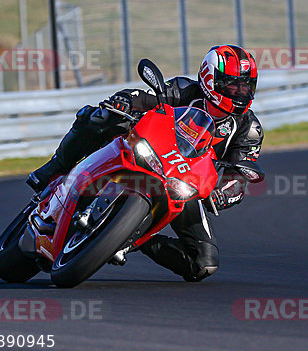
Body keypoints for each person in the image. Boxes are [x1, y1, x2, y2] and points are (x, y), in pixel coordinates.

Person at [27, 45, 265, 282]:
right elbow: (146, 98)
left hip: (185, 184)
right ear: (209, 78)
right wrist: (124, 101)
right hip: (149, 150)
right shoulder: (185, 90)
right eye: (232, 84)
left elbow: (240, 175)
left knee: (203, 264)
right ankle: (56, 166)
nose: (240, 91)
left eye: (246, 86)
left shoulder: (249, 129)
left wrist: (222, 194)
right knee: (100, 116)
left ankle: (131, 237)